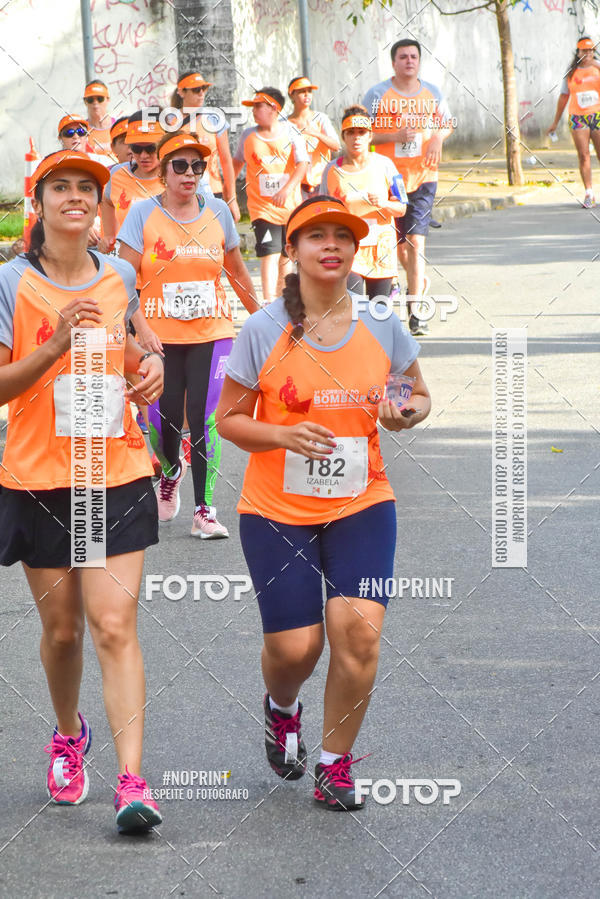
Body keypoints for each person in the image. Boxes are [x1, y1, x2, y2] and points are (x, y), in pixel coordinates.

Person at [215, 195, 431, 810]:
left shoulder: (382, 319)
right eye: (317, 236)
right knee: (297, 647)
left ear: (356, 250)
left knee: (357, 632)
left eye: (343, 235)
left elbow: (417, 397)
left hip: (363, 500)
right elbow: (228, 419)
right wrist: (281, 434)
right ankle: (282, 707)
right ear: (293, 250)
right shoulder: (263, 329)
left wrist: (403, 413)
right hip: (276, 508)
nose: (331, 245)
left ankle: (336, 763)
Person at [0, 149, 165, 833]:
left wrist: (148, 368)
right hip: (39, 477)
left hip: (114, 472)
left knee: (113, 623)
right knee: (62, 630)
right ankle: (69, 732)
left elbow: (128, 351)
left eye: (86, 188)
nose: (75, 196)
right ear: (39, 204)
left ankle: (133, 779)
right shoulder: (10, 282)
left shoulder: (120, 274)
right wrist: (54, 345)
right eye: (60, 186)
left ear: (99, 204)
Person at [117, 131, 260, 536]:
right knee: (162, 426)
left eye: (198, 165)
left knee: (206, 418)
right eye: (180, 165)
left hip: (213, 333)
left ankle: (205, 510)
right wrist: (139, 326)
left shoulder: (218, 212)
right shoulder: (142, 214)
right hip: (158, 339)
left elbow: (235, 271)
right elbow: (122, 279)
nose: (190, 173)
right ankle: (171, 470)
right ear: (163, 172)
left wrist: (264, 318)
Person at [363, 38, 453, 335]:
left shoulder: (432, 93)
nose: (409, 61)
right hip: (389, 180)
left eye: (414, 56)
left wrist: (438, 138)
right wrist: (393, 136)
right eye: (403, 57)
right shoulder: (377, 95)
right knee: (398, 249)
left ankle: (416, 312)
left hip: (424, 177)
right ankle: (413, 282)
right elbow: (363, 135)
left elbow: (447, 122)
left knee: (416, 244)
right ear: (394, 63)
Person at [320, 106, 406, 299]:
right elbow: (322, 209)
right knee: (354, 308)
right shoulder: (331, 170)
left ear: (370, 136)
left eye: (361, 132)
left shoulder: (386, 165)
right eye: (351, 133)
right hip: (348, 248)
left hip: (381, 249)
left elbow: (402, 208)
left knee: (379, 311)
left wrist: (383, 202)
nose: (356, 138)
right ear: (343, 137)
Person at [233, 88, 308, 302]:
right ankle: (266, 304)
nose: (254, 111)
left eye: (259, 106)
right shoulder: (248, 135)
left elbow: (302, 165)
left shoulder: (292, 132)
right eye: (253, 107)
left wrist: (286, 189)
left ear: (274, 108)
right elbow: (236, 163)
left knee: (286, 256)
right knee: (269, 254)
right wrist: (229, 194)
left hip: (290, 207)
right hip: (262, 209)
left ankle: (281, 302)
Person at [170, 71, 240, 220]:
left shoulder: (214, 118)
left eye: (204, 89)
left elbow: (226, 161)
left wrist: (232, 198)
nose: (201, 93)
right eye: (196, 90)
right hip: (182, 192)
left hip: (213, 190)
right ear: (182, 92)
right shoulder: (170, 122)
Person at [548, 36, 600, 208]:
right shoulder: (571, 72)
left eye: (591, 50)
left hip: (597, 116)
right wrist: (555, 122)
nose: (588, 53)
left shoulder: (598, 68)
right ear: (578, 52)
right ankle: (589, 192)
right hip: (578, 118)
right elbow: (564, 97)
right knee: (584, 155)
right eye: (584, 50)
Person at [100, 112, 164, 251]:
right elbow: (106, 200)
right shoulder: (117, 174)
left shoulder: (176, 175)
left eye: (150, 148)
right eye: (137, 148)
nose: (143, 156)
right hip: (129, 264)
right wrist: (109, 235)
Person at [286, 76, 340, 198]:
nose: (307, 95)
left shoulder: (321, 119)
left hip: (321, 185)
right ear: (292, 95)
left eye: (309, 91)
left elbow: (336, 146)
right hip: (296, 188)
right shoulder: (284, 123)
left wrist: (316, 133)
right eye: (301, 92)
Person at [83, 80, 114, 157]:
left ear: (108, 100)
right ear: (85, 102)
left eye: (100, 99)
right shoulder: (80, 131)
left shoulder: (119, 126)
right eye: (90, 99)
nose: (95, 102)